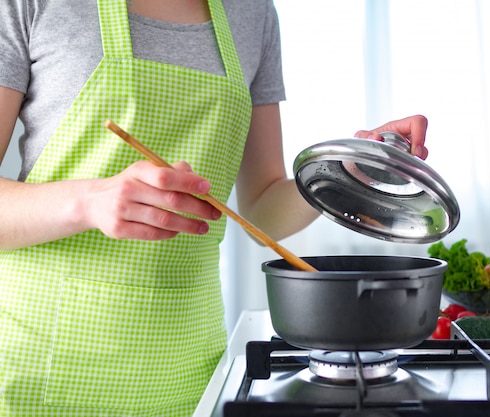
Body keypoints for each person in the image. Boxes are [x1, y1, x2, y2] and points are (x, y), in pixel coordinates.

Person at [0, 0, 429, 415]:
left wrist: (342, 170)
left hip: (188, 372)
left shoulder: (253, 12)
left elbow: (263, 210)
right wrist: (88, 202)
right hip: (43, 367)